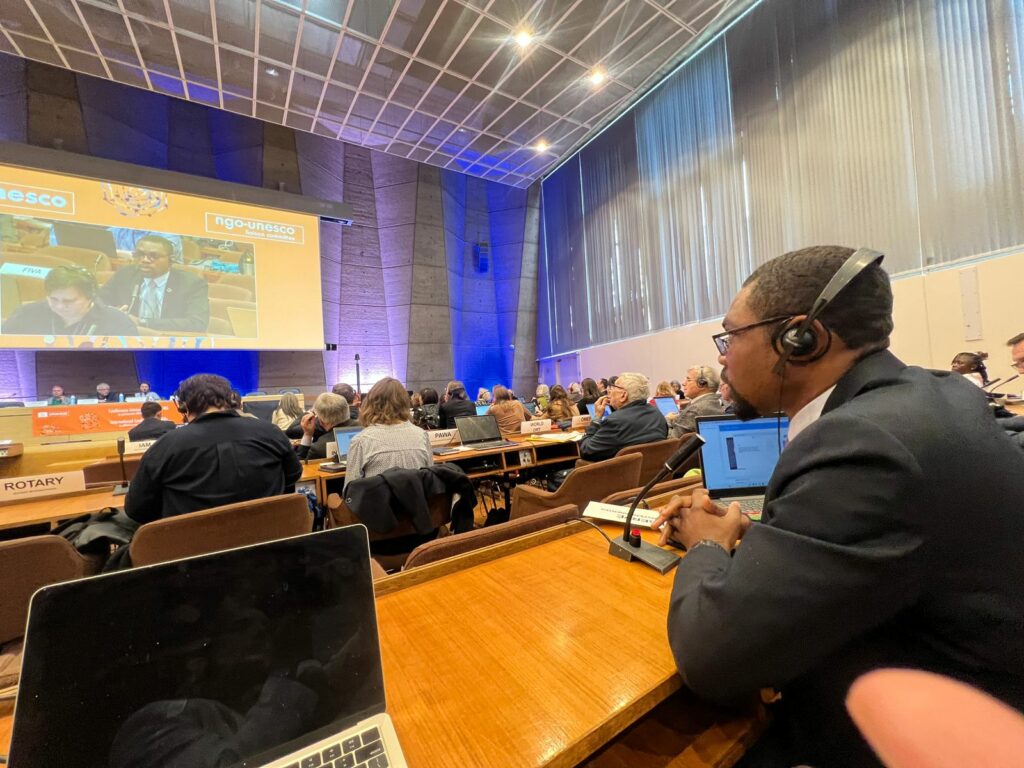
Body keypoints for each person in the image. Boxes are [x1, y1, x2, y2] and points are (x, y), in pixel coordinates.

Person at [650, 245, 1024, 768]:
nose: (721, 357)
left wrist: (706, 547)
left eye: (730, 336)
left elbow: (713, 659)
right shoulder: (928, 393)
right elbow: (862, 542)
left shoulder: (863, 444)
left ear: (801, 339)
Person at [125, 374, 302, 523]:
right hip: (271, 546)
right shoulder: (270, 432)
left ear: (183, 406)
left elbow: (136, 510)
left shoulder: (165, 446)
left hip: (192, 557)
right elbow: (293, 475)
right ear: (231, 399)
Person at [98, 234, 209, 332]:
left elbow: (197, 323)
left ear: (170, 260)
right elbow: (97, 302)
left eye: (153, 256)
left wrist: (142, 322)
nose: (145, 260)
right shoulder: (126, 274)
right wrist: (113, 312)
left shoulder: (192, 284)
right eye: (140, 254)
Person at [3, 265, 138, 336]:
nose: (60, 306)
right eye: (53, 299)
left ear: (90, 297)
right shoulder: (27, 314)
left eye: (68, 301)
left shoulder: (117, 323)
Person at [344, 377, 432, 486]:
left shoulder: (360, 441)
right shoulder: (422, 435)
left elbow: (350, 491)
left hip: (377, 502)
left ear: (370, 403)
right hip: (417, 501)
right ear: (405, 402)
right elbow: (430, 480)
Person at [579, 372, 667, 461]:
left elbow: (586, 450)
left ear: (623, 395)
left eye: (613, 387)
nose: (609, 391)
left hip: (620, 473)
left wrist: (596, 418)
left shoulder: (614, 421)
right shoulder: (657, 414)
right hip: (652, 472)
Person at [668, 365, 725, 436]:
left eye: (688, 380)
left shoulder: (695, 410)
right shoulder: (716, 402)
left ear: (702, 384)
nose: (683, 384)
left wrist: (668, 421)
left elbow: (672, 440)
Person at [296, 392, 352, 461]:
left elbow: (301, 467)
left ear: (321, 421)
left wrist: (307, 435)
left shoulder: (319, 448)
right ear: (347, 409)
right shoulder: (365, 428)